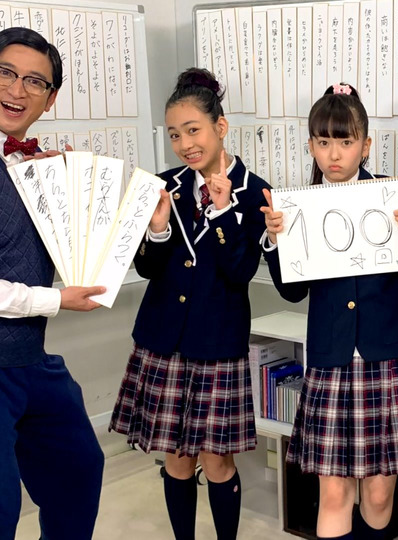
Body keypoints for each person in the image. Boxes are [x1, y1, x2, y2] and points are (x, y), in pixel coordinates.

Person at [260, 83, 398, 540]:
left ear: (365, 144)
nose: (334, 153)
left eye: (345, 141)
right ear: (311, 146)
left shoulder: (389, 194)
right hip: (333, 356)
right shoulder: (296, 206)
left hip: (392, 354)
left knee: (379, 495)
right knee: (334, 492)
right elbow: (292, 293)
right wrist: (275, 241)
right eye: (324, 142)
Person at [0, 27, 106, 539]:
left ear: (50, 98)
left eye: (35, 81)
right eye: (5, 73)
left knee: (77, 472)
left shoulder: (31, 164)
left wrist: (67, 195)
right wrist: (53, 300)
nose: (17, 90)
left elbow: (51, 254)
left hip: (29, 358)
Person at [109, 68, 270, 540]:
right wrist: (158, 229)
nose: (185, 144)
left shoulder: (255, 192)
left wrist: (222, 212)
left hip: (216, 342)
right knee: (176, 459)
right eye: (175, 135)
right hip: (163, 339)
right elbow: (147, 267)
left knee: (217, 461)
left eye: (193, 130)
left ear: (221, 126)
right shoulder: (164, 186)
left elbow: (240, 272)